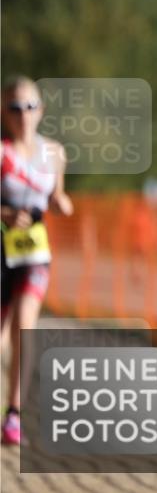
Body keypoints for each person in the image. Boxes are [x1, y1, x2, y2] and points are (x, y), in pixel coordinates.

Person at [0, 75, 74, 445]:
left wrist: (61, 203)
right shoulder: (2, 153)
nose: (23, 114)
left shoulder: (55, 153)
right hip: (2, 250)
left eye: (30, 106)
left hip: (34, 253)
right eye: (15, 107)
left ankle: (14, 413)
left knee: (25, 325)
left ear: (41, 110)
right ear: (4, 112)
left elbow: (58, 196)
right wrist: (5, 214)